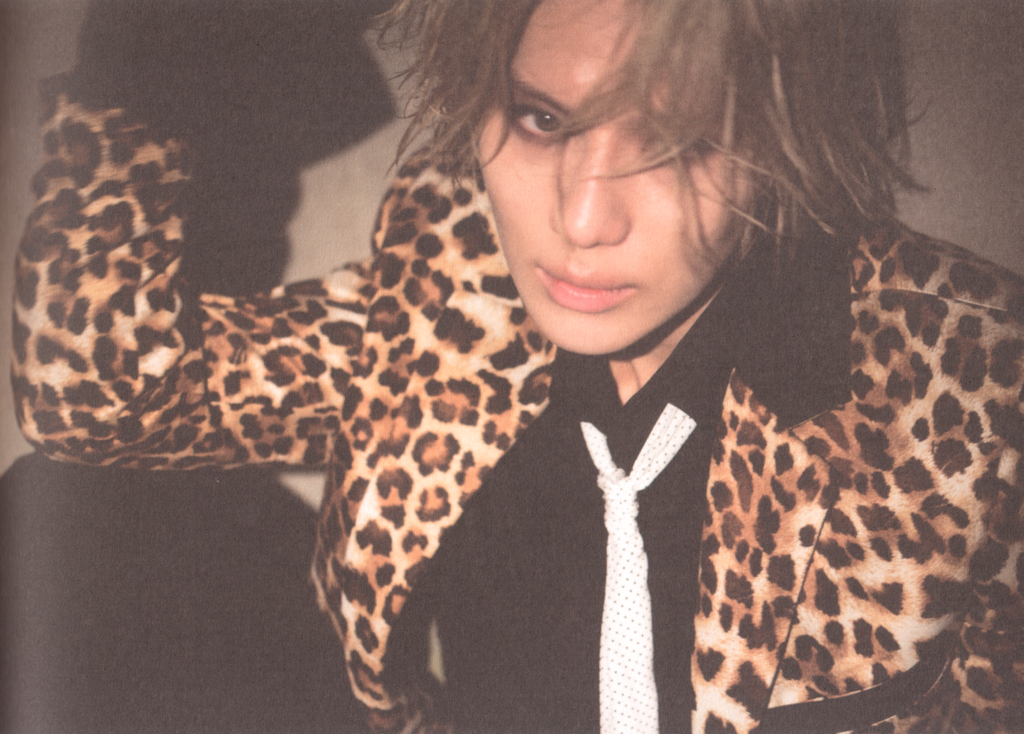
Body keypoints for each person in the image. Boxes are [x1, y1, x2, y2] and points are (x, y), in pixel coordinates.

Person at [11, 1, 1024, 733]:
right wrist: (143, 55)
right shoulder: (449, 283)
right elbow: (94, 399)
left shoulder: (971, 377)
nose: (581, 219)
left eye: (677, 142)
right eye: (542, 118)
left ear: (793, 137)